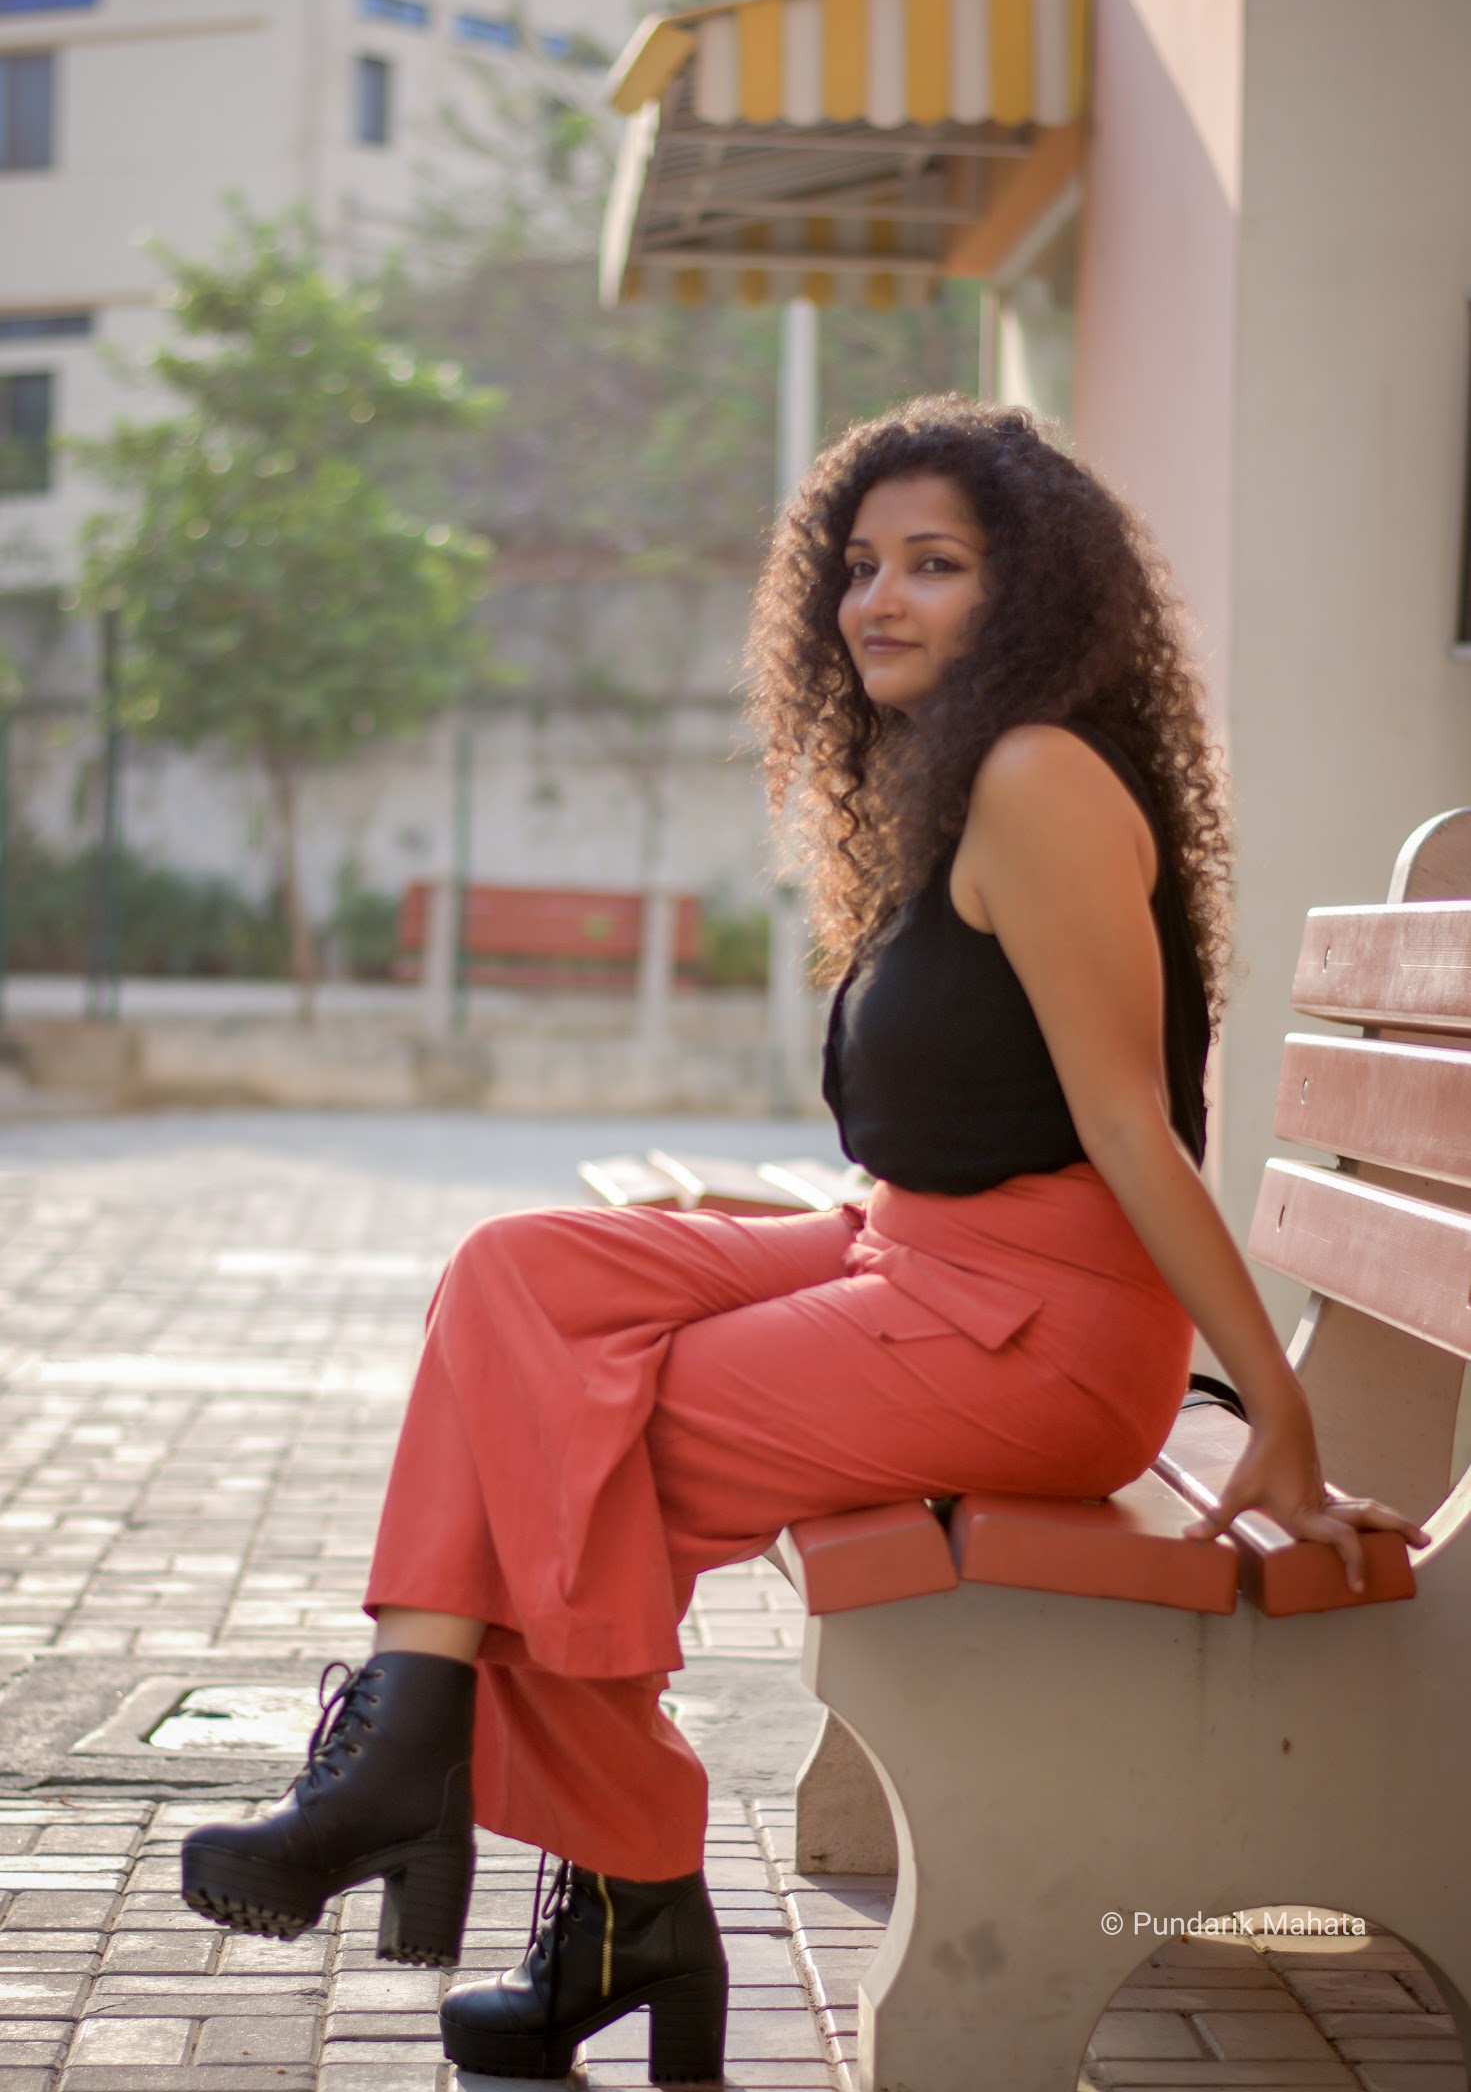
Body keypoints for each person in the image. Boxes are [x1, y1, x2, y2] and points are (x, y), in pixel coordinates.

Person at [178, 396, 1428, 2085]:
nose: (877, 599)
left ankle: (573, 1865)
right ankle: (459, 1782)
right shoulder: (950, 784)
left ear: (1032, 591)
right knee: (520, 1277)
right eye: (858, 565)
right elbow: (980, 1109)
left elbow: (1133, 1125)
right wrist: (806, 1221)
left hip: (1041, 1338)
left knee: (575, 1436)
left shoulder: (1039, 776)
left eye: (935, 564)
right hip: (915, 1260)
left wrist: (1274, 1408)